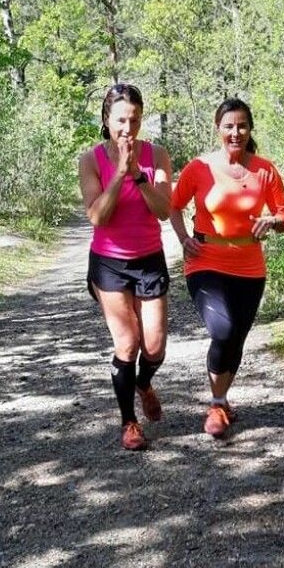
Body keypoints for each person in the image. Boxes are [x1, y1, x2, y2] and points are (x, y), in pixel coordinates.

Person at [170, 97, 284, 439]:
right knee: (222, 331)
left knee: (236, 338)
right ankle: (216, 402)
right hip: (206, 260)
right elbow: (174, 205)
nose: (235, 132)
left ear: (250, 129)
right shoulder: (199, 168)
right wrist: (183, 239)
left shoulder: (265, 170)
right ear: (218, 129)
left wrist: (272, 221)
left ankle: (221, 402)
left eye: (241, 126)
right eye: (229, 126)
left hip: (250, 266)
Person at [79, 83, 173, 451]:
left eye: (134, 120)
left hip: (149, 258)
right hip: (109, 263)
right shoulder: (90, 160)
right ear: (106, 120)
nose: (127, 129)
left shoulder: (157, 155)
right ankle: (129, 423)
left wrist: (137, 174)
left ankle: (144, 382)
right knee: (128, 342)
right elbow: (97, 216)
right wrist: (118, 173)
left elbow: (164, 211)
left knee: (154, 346)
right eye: (120, 120)